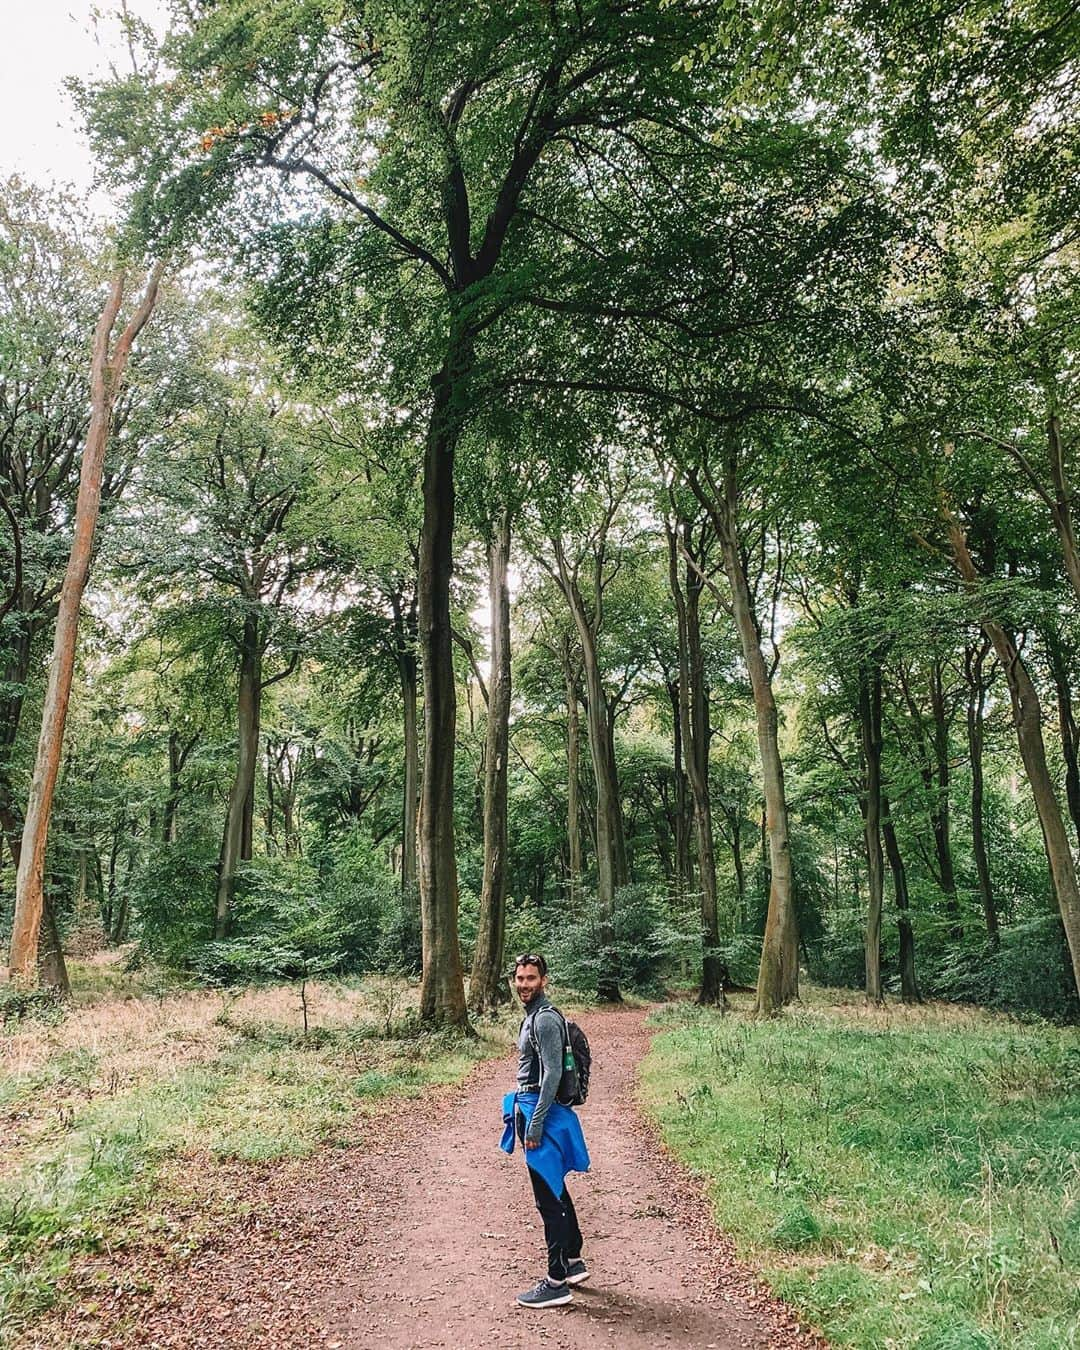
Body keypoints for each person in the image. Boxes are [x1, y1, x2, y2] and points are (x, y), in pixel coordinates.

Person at [503, 952, 590, 1309]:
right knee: (556, 1190)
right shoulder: (536, 1016)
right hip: (537, 1109)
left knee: (548, 1200)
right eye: (520, 978)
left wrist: (535, 1124)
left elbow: (552, 1073)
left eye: (531, 979)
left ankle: (556, 1281)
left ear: (544, 980)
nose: (524, 985)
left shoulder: (544, 1021)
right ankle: (572, 1260)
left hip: (542, 1114)